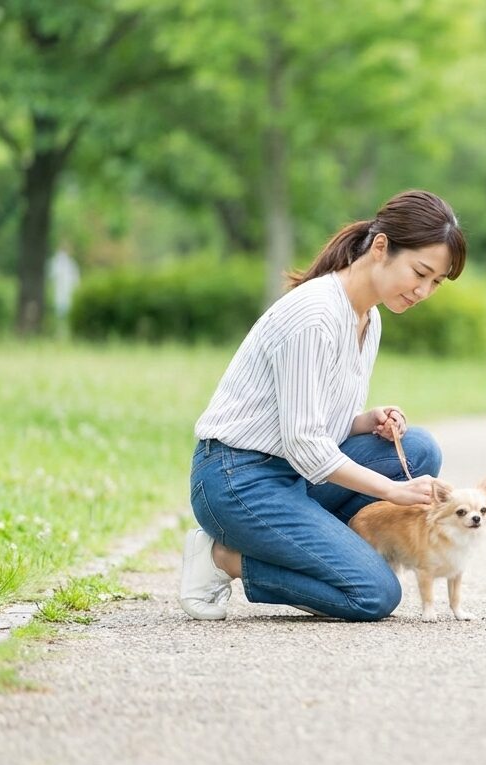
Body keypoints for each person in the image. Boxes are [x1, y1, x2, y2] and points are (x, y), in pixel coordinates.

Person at [180, 189, 467, 621]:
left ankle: (324, 545)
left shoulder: (368, 319)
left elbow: (309, 420)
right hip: (238, 480)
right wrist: (390, 490)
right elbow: (305, 443)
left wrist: (364, 421)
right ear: (382, 247)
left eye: (435, 283)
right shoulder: (314, 316)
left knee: (420, 449)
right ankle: (222, 556)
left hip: (292, 473)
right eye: (420, 272)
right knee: (373, 593)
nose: (424, 291)